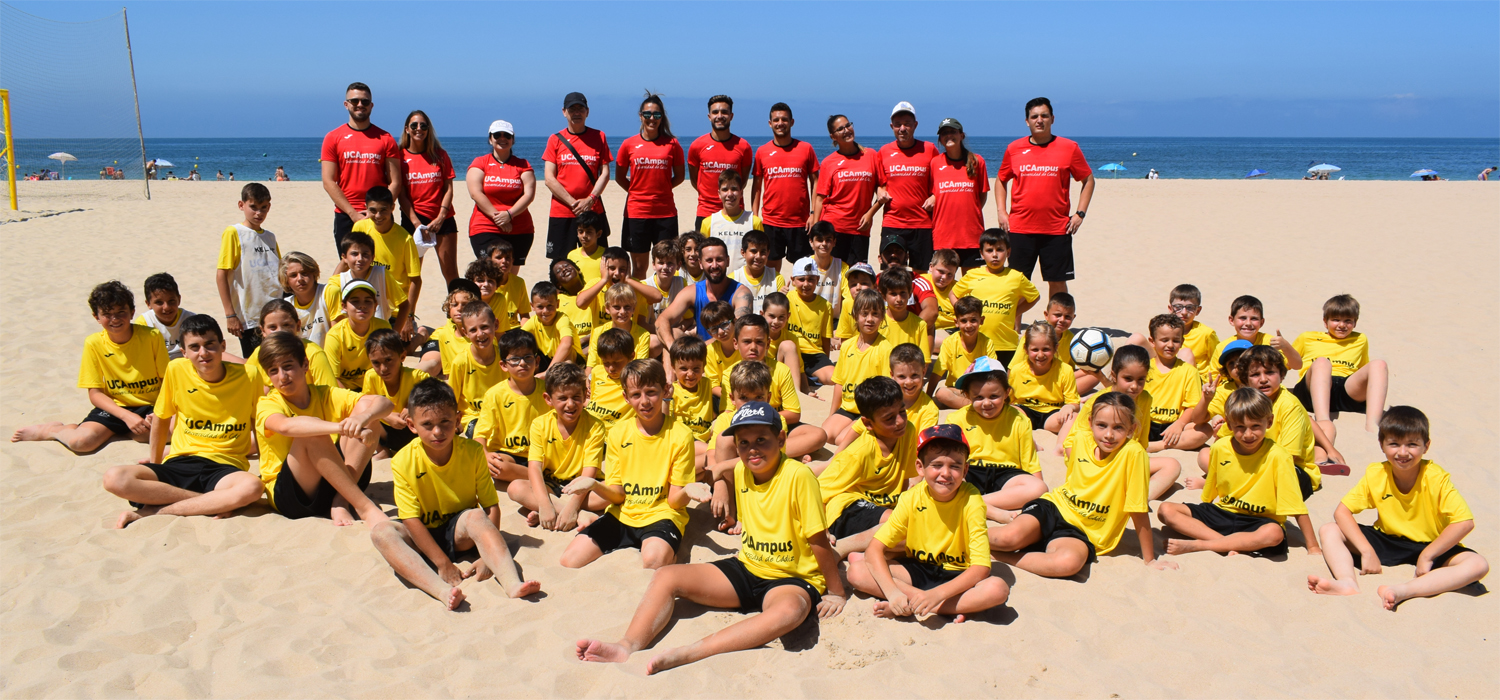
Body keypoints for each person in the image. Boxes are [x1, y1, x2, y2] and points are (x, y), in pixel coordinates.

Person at [575, 401, 845, 674]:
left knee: (790, 612)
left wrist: (836, 592)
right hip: (749, 566)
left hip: (790, 578)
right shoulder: (742, 470)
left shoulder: (799, 476)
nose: (752, 449)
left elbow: (818, 540)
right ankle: (627, 645)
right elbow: (719, 467)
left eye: (762, 440)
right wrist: (718, 486)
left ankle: (693, 651)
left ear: (781, 438)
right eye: (743, 443)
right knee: (666, 576)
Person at [371, 378, 541, 609]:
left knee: (476, 516)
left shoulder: (472, 452)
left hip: (458, 532)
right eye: (427, 425)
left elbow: (491, 506)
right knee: (381, 533)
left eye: (445, 422)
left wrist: (485, 559)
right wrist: (443, 564)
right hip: (420, 535)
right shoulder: (402, 460)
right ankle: (441, 591)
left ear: (458, 420)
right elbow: (410, 518)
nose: (437, 431)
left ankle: (512, 583)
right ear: (412, 425)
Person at [1309, 406, 1489, 609]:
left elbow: (1464, 522)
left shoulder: (1436, 477)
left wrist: (1427, 555)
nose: (1403, 452)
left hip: (1431, 543)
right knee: (1329, 529)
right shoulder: (1377, 473)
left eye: (1412, 444)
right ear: (1382, 445)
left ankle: (1404, 590)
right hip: (1387, 539)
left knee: (1478, 565)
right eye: (1394, 444)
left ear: (1426, 446)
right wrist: (1366, 550)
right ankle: (1347, 582)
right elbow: (1341, 512)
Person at [989, 392, 1176, 577]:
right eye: (1101, 425)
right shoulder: (1080, 439)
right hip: (1055, 508)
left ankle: (1001, 556)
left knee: (1067, 563)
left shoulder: (1133, 454)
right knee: (1006, 538)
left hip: (1085, 532)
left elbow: (1138, 509)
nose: (1109, 435)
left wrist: (1149, 559)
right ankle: (963, 534)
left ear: (1132, 428)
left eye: (1118, 427)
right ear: (1090, 423)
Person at [102, 315, 264, 528]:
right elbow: (160, 420)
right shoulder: (176, 369)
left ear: (223, 345)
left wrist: (265, 470)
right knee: (114, 478)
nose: (203, 353)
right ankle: (206, 503)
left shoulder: (249, 375)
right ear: (184, 352)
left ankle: (156, 511)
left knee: (252, 487)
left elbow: (258, 425)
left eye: (210, 345)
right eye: (194, 347)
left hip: (226, 465)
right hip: (181, 461)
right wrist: (156, 464)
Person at [847, 424, 1009, 621]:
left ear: (966, 469)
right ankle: (927, 604)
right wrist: (893, 594)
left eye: (955, 466)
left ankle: (917, 605)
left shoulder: (972, 501)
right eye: (936, 465)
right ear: (920, 467)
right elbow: (874, 550)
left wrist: (936, 595)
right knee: (857, 571)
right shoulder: (911, 498)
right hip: (919, 567)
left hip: (958, 575)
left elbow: (981, 568)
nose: (946, 473)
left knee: (997, 589)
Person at [561, 359, 706, 569]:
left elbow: (675, 501)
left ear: (665, 390)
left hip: (662, 515)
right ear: (626, 397)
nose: (645, 401)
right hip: (623, 514)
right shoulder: (618, 433)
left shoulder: (680, 435)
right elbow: (618, 495)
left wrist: (688, 491)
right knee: (569, 560)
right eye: (636, 395)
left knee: (654, 561)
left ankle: (666, 550)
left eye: (651, 392)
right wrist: (593, 484)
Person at [255, 331, 392, 525]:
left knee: (368, 415)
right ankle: (365, 508)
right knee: (311, 434)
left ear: (305, 365)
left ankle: (341, 500)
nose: (282, 376)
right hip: (291, 494)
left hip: (333, 482)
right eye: (273, 371)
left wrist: (363, 418)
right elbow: (285, 426)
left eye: (288, 367)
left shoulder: (323, 393)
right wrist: (342, 428)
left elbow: (384, 403)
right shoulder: (267, 403)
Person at [12, 281, 167, 453]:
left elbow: (166, 380)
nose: (115, 319)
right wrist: (126, 415)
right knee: (81, 443)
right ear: (97, 317)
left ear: (132, 312)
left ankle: (128, 432)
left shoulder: (152, 336)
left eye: (121, 312)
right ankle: (53, 430)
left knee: (168, 435)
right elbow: (95, 392)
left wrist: (159, 411)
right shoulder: (94, 343)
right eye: (107, 314)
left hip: (151, 405)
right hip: (116, 407)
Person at [1158, 388, 1309, 558]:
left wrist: (1313, 546)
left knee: (1274, 534)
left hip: (1258, 520)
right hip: (1224, 512)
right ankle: (1227, 544)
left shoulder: (1279, 456)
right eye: (1240, 427)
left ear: (1269, 422)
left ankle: (1203, 544)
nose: (1248, 434)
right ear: (1229, 425)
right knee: (1166, 510)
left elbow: (1296, 505)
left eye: (1255, 426)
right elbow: (1210, 495)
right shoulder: (1219, 448)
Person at [995, 97, 1095, 297]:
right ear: (1027, 121)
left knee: (1057, 284)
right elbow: (1000, 180)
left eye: (1044, 116)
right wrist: (1001, 212)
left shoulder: (1069, 147)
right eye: (1034, 117)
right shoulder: (1014, 148)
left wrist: (1080, 214)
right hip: (1020, 229)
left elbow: (1088, 180)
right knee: (1016, 285)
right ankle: (1014, 329)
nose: (1039, 120)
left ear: (1052, 119)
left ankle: (1055, 329)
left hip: (1057, 230)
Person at [508, 361, 608, 531]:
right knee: (515, 488)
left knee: (615, 489)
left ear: (585, 395)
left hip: (583, 489)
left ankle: (558, 511)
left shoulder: (595, 426)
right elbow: (534, 467)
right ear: (548, 399)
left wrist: (572, 506)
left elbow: (589, 472)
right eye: (562, 398)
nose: (570, 404)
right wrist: (544, 504)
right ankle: (575, 514)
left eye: (576, 397)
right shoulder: (540, 424)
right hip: (552, 486)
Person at [945, 357, 1048, 523]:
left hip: (1006, 475)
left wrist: (1041, 494)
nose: (986, 403)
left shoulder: (1019, 420)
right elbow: (949, 459)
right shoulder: (956, 419)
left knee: (1039, 487)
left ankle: (973, 503)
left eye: (994, 396)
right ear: (967, 395)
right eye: (978, 398)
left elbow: (1030, 463)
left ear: (1007, 392)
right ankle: (991, 511)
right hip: (970, 471)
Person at [1292, 294, 1388, 438]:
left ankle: (1373, 424)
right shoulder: (1307, 337)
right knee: (1323, 362)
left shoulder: (1360, 339)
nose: (1341, 325)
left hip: (1345, 388)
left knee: (1379, 364)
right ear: (1325, 322)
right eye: (1336, 320)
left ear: (1355, 323)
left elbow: (1363, 369)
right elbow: (1284, 364)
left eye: (1348, 321)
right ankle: (1323, 420)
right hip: (1313, 388)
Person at [320, 82, 401, 251]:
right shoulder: (333, 137)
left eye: (365, 102)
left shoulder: (386, 138)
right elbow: (328, 181)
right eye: (355, 101)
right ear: (346, 104)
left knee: (382, 267)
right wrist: (353, 214)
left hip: (379, 216)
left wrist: (381, 209)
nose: (360, 105)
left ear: (371, 105)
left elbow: (395, 181)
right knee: (350, 269)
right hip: (346, 215)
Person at [617, 92, 686, 279]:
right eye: (647, 114)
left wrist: (661, 189)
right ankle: (641, 307)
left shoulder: (672, 144)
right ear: (641, 116)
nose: (652, 118)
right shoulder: (628, 144)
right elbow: (620, 177)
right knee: (639, 268)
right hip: (636, 213)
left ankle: (667, 306)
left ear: (662, 117)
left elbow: (679, 176)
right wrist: (638, 192)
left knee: (668, 266)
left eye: (656, 114)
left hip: (665, 214)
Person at [949, 229, 1039, 365]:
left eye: (1000, 250)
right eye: (989, 250)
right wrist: (963, 313)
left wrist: (1014, 311)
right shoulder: (973, 275)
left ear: (1008, 252)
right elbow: (953, 294)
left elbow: (1034, 297)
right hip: (977, 341)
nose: (995, 255)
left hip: (1005, 343)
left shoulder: (1016, 277)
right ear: (982, 254)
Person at [473, 329, 550, 481]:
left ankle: (535, 475)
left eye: (528, 357)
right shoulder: (494, 394)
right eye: (515, 359)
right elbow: (480, 434)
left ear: (537, 362)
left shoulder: (547, 391)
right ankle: (540, 478)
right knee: (497, 466)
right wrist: (486, 454)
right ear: (503, 365)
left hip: (540, 454)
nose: (522, 363)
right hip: (508, 454)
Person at [751, 103, 820, 271]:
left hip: (800, 222)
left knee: (803, 268)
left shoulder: (805, 148)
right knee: (771, 268)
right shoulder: (762, 151)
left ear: (792, 122)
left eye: (784, 119)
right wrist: (754, 215)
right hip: (771, 221)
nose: (780, 123)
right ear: (770, 123)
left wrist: (813, 214)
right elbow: (757, 186)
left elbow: (816, 182)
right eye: (776, 120)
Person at [216, 183, 282, 357]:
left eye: (263, 208)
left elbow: (279, 272)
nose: (258, 213)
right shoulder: (234, 232)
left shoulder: (270, 236)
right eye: (253, 207)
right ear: (241, 205)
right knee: (256, 364)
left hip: (276, 311)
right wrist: (230, 315)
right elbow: (222, 274)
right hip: (250, 317)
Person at [543, 92, 611, 261]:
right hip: (562, 211)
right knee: (560, 263)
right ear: (564, 112)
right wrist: (573, 202)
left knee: (597, 259)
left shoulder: (599, 136)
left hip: (592, 210)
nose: (576, 113)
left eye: (580, 109)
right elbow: (549, 179)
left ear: (587, 112)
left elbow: (605, 173)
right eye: (572, 109)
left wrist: (590, 199)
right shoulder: (555, 139)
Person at [654, 237, 754, 350]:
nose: (715, 265)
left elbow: (736, 331)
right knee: (673, 333)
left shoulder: (741, 293)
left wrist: (694, 350)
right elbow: (662, 320)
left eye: (719, 259)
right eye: (709, 260)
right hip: (700, 358)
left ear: (728, 261)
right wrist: (672, 347)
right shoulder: (693, 291)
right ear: (700, 264)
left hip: (730, 355)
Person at [351, 186, 424, 341]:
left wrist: (408, 317)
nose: (378, 215)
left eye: (383, 210)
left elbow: (416, 280)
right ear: (366, 208)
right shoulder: (359, 228)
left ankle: (422, 333)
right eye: (373, 210)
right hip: (366, 303)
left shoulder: (405, 239)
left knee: (396, 348)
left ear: (392, 208)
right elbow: (348, 263)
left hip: (396, 310)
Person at [875, 102, 940, 272]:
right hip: (893, 222)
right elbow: (878, 181)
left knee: (922, 273)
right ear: (892, 127)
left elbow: (941, 179)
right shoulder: (884, 151)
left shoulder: (929, 149)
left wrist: (935, 196)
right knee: (892, 274)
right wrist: (879, 189)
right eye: (898, 125)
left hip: (922, 223)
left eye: (907, 124)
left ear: (915, 125)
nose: (902, 128)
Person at [822, 289, 893, 444]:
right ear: (855, 315)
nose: (869, 319)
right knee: (825, 435)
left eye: (875, 314)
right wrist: (832, 414)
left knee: (843, 439)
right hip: (848, 407)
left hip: (869, 411)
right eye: (864, 313)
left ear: (882, 317)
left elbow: (885, 390)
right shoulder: (847, 346)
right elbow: (839, 383)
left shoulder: (885, 348)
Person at [396, 110, 458, 284]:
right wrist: (417, 224)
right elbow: (401, 194)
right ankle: (408, 312)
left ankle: (457, 311)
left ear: (428, 129)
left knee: (451, 273)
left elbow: (448, 189)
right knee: (411, 275)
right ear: (407, 129)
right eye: (414, 125)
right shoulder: (399, 156)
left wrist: (440, 217)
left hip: (442, 220)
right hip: (413, 220)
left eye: (423, 125)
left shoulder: (440, 155)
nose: (419, 129)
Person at [813, 115, 882, 267]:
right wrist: (816, 229)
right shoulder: (828, 162)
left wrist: (870, 214)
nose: (846, 130)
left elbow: (882, 190)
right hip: (834, 227)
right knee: (834, 276)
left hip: (860, 229)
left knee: (857, 276)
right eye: (840, 129)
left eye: (848, 125)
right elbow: (820, 198)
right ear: (833, 136)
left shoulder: (871, 155)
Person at [467, 120, 537, 267]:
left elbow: (529, 195)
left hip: (519, 228)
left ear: (513, 139)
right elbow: (476, 193)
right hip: (485, 226)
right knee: (489, 273)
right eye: (497, 135)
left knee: (510, 276)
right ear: (490, 139)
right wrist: (499, 218)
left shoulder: (523, 165)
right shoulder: (480, 162)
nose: (502, 138)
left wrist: (509, 214)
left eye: (507, 135)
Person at [1143, 314, 1211, 453]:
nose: (1170, 345)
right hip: (1146, 422)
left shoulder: (1189, 371)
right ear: (1152, 341)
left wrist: (1179, 424)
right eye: (1164, 340)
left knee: (1205, 430)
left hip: (1174, 426)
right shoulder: (1145, 368)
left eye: (1175, 340)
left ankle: (1157, 446)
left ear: (1182, 341)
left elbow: (1192, 406)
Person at [687, 95, 755, 231]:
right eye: (715, 112)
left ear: (731, 116)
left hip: (735, 214)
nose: (720, 116)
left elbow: (743, 180)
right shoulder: (697, 146)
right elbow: (695, 180)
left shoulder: (743, 146)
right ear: (709, 116)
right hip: (706, 213)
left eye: (724, 112)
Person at [930, 119, 989, 268]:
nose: (948, 135)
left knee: (970, 286)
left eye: (953, 132)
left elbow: (981, 197)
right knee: (944, 284)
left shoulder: (977, 161)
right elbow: (932, 192)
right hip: (943, 236)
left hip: (970, 236)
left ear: (962, 135)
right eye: (944, 133)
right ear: (940, 139)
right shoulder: (935, 163)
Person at [361, 327, 428, 453]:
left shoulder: (418, 377)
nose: (383, 368)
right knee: (364, 415)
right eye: (376, 363)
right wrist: (386, 415)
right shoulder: (371, 377)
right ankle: (382, 451)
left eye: (388, 360)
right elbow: (366, 404)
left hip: (415, 432)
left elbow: (438, 397)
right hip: (385, 433)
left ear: (402, 356)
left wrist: (412, 408)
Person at [1008, 321, 1080, 434]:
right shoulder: (1017, 370)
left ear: (1056, 348)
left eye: (1046, 349)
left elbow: (1074, 402)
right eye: (1035, 350)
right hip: (1025, 411)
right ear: (1026, 349)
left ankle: (1060, 448)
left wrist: (1070, 407)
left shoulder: (1065, 370)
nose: (1040, 355)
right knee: (1010, 414)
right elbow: (1009, 400)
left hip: (1052, 414)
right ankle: (1026, 441)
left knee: (1073, 417)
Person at [448, 302, 507, 436]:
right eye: (473, 330)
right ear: (465, 332)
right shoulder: (461, 362)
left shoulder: (505, 356)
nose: (480, 334)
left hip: (503, 413)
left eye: (484, 327)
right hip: (473, 418)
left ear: (496, 325)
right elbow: (451, 399)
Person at [324, 280, 394, 390]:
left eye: (368, 301)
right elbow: (333, 378)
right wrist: (354, 400)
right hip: (346, 390)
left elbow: (392, 366)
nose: (362, 305)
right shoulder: (335, 335)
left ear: (375, 306)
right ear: (344, 306)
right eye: (355, 301)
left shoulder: (383, 328)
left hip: (375, 387)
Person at [931, 296, 993, 409]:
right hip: (957, 389)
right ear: (956, 322)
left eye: (973, 320)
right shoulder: (949, 343)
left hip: (980, 389)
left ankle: (974, 405)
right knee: (941, 393)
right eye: (964, 321)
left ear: (981, 320)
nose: (968, 325)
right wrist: (927, 396)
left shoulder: (987, 343)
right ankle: (976, 406)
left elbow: (993, 372)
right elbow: (938, 372)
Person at [785, 257, 835, 393]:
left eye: (811, 279)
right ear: (793, 280)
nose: (806, 284)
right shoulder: (786, 299)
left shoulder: (825, 306)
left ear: (817, 280)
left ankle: (811, 376)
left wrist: (826, 361)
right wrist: (779, 299)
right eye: (801, 279)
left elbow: (826, 338)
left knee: (833, 379)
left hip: (814, 353)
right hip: (793, 352)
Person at [698, 169, 762, 271]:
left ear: (741, 193)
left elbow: (760, 255)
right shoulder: (708, 222)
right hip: (718, 280)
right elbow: (704, 257)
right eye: (725, 189)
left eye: (734, 189)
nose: (730, 194)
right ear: (719, 194)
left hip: (745, 282)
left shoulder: (754, 221)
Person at [135, 272, 196, 360]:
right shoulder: (144, 323)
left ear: (179, 299)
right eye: (159, 302)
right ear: (148, 304)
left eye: (171, 301)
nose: (166, 307)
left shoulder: (190, 319)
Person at [522, 281, 577, 372]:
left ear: (557, 304)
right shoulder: (533, 322)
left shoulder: (562, 319)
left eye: (550, 306)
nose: (545, 311)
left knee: (568, 356)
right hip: (547, 358)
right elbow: (517, 339)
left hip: (569, 360)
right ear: (532, 306)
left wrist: (548, 371)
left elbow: (567, 344)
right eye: (540, 307)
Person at [280, 252, 330, 347]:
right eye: (293, 275)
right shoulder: (287, 306)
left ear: (313, 273)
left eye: (304, 273)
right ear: (286, 281)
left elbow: (338, 333)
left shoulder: (327, 292)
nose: (300, 279)